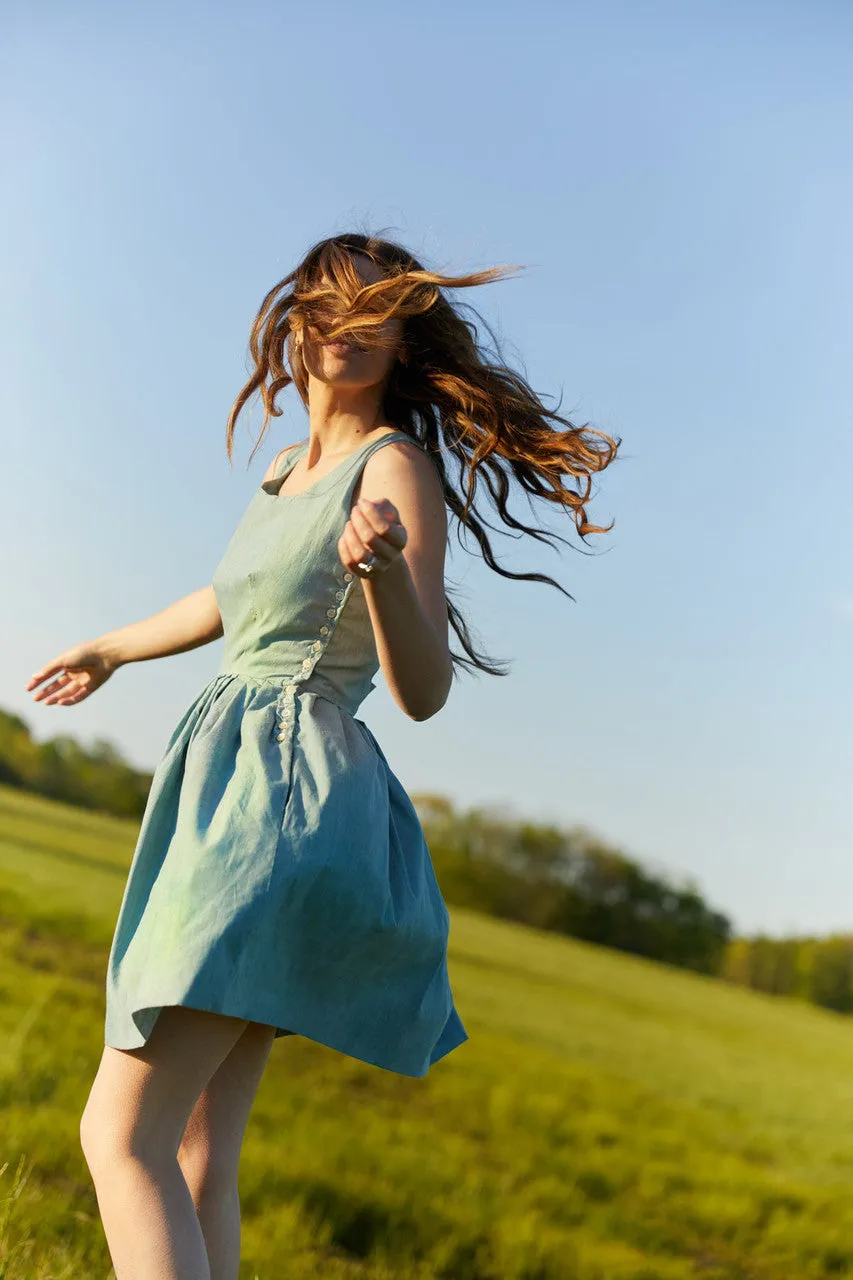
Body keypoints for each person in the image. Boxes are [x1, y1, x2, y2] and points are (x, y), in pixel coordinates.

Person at [24, 232, 619, 1279]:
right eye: (324, 304)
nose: (344, 325)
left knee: (119, 1138)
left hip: (281, 799)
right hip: (239, 782)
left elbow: (423, 690)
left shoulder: (394, 468)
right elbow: (233, 599)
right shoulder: (285, 468)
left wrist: (386, 570)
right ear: (292, 323)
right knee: (201, 1152)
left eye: (371, 310)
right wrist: (109, 646)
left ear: (399, 338)